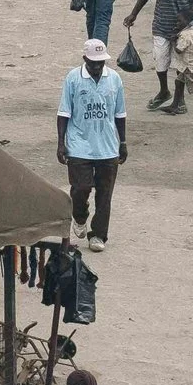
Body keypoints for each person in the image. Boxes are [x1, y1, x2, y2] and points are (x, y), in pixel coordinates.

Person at [58, 40, 127, 251]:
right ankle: (79, 216)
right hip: (79, 144)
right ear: (85, 59)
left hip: (107, 146)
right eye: (93, 63)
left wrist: (122, 142)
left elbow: (120, 114)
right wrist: (61, 143)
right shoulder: (73, 79)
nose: (97, 67)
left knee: (105, 193)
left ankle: (98, 235)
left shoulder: (114, 79)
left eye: (101, 63)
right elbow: (63, 113)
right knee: (81, 187)